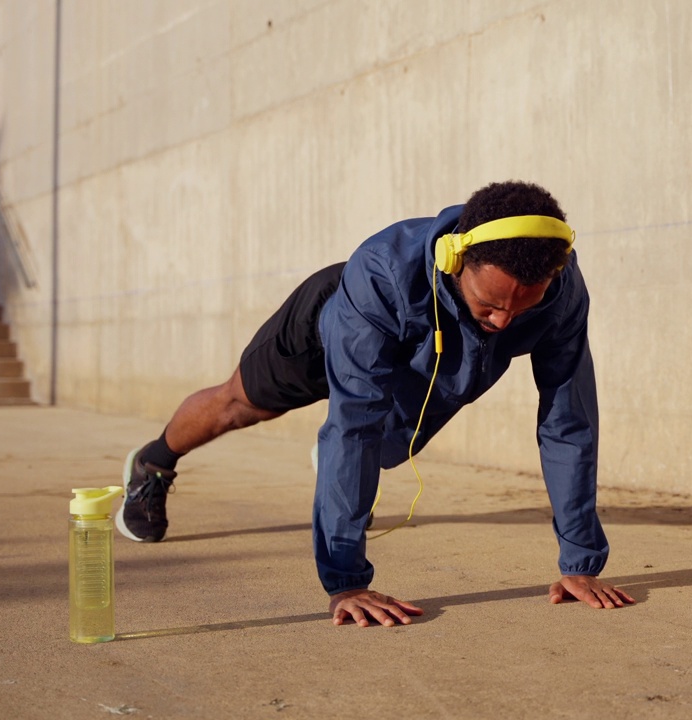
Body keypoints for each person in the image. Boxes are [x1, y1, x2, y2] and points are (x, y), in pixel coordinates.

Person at [115, 180, 635, 626]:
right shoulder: (382, 271)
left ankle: (339, 479)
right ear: (454, 259)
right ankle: (153, 464)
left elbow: (568, 422)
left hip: (431, 352)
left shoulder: (561, 292)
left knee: (381, 452)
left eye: (523, 307)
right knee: (244, 405)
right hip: (331, 325)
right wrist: (346, 583)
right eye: (491, 304)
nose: (504, 321)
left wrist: (581, 561)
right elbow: (352, 425)